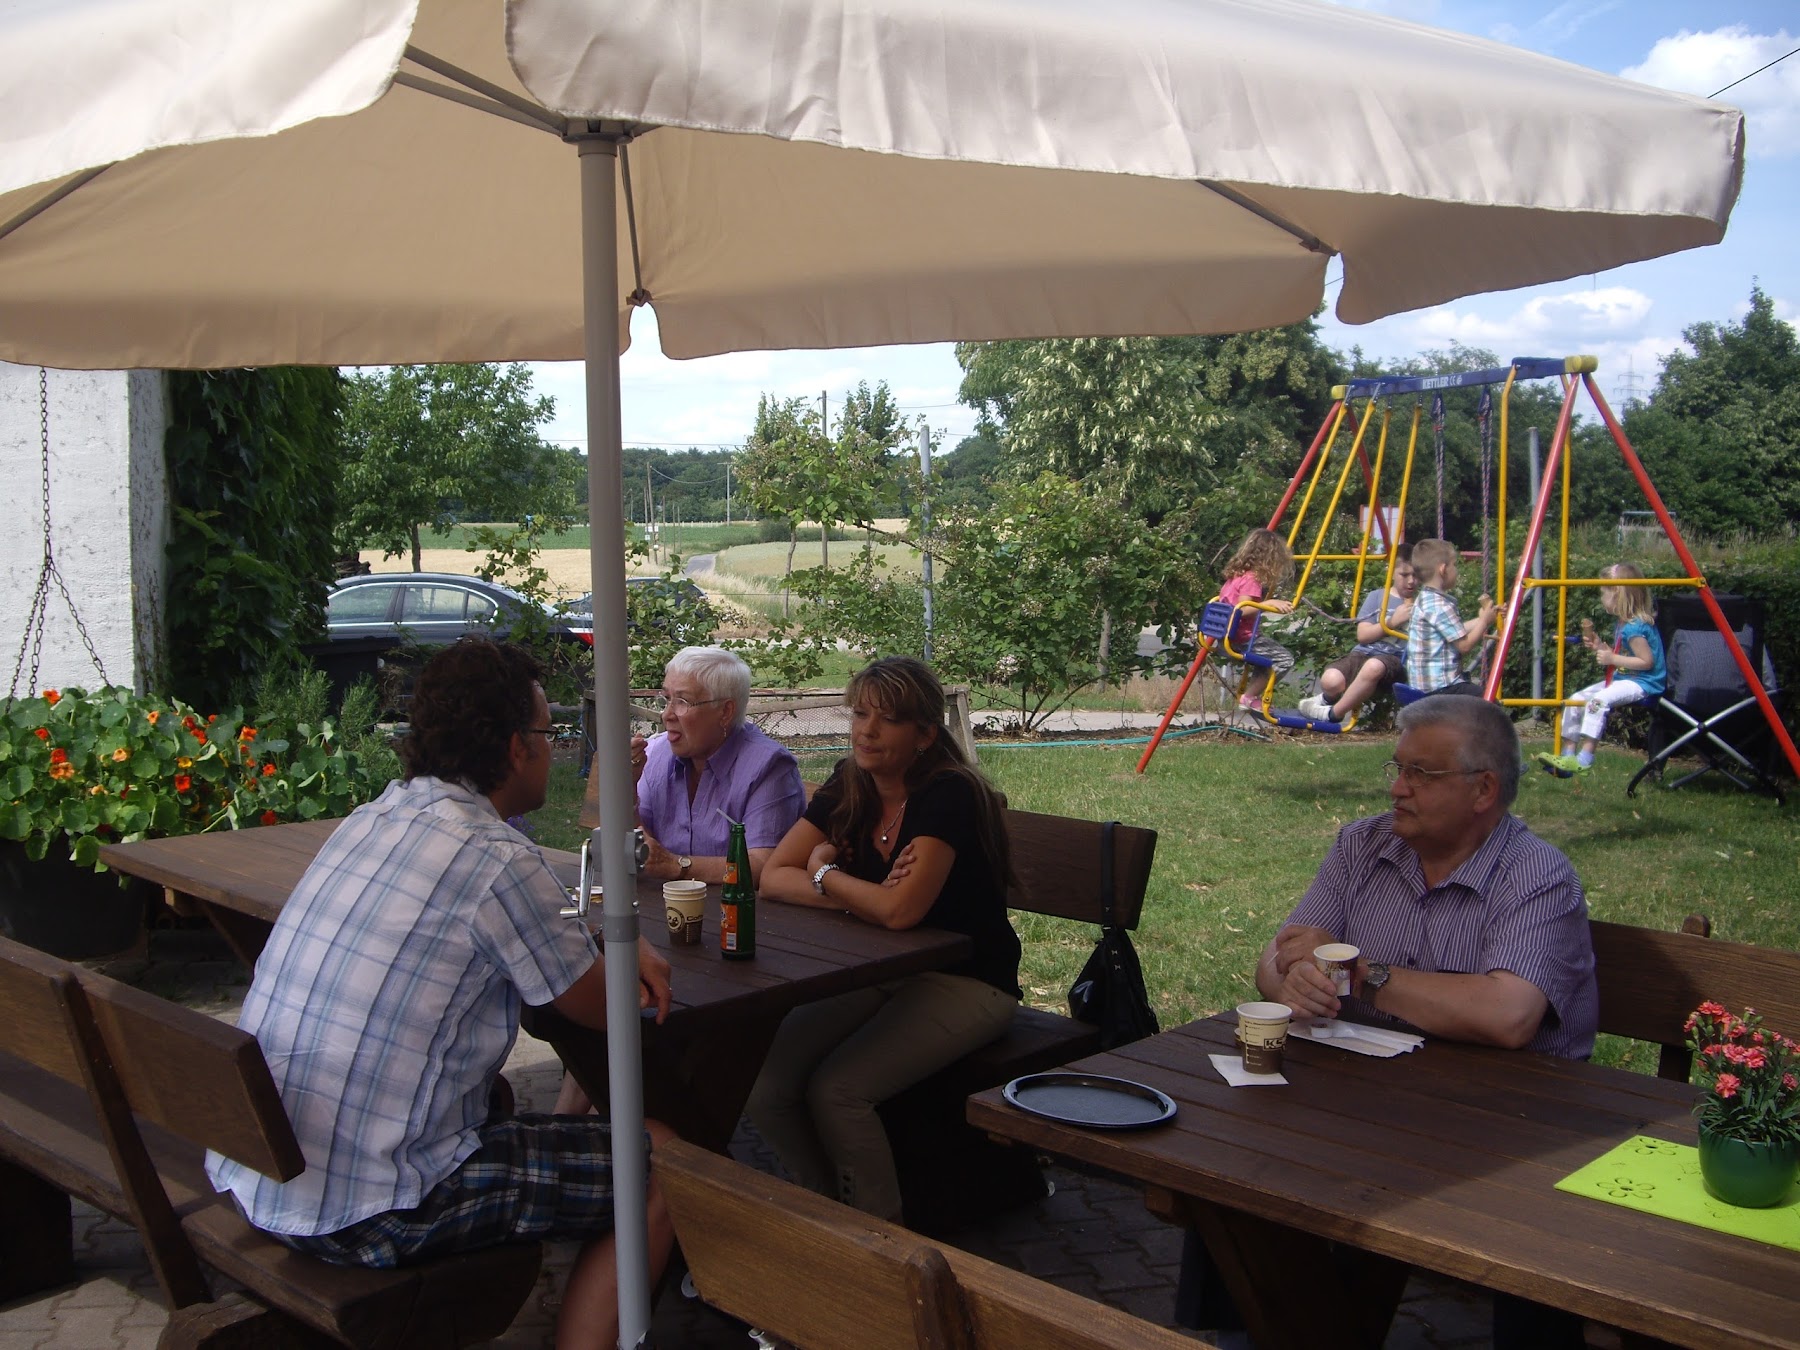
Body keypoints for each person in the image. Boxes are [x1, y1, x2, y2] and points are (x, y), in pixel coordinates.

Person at [205, 639, 676, 1349]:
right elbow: (608, 1008)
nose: (553, 750)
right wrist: (628, 943)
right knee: (663, 1162)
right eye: (548, 732)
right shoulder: (496, 857)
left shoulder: (375, 817)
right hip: (372, 1207)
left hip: (266, 1173)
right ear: (516, 747)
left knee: (501, 1107)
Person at [1181, 697, 1597, 1349]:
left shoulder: (1536, 876)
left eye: (1421, 774)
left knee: (1536, 1239)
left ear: (1483, 790)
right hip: (1371, 1099)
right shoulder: (1364, 844)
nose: (1398, 788)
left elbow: (1510, 1015)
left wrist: (1364, 974)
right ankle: (1247, 1329)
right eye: (1397, 768)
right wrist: (1294, 978)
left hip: (1506, 1126)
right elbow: (1279, 955)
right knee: (1238, 1155)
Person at [745, 656, 1020, 1221]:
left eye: (888, 719)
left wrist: (825, 873)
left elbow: (898, 912)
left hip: (968, 981)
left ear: (924, 734)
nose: (866, 731)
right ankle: (827, 1214)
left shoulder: (948, 793)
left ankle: (878, 1237)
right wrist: (858, 895)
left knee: (838, 1091)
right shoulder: (852, 781)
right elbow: (773, 878)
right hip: (882, 971)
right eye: (860, 714)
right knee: (765, 1084)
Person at [632, 645, 805, 885]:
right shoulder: (655, 754)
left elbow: (762, 865)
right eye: (667, 699)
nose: (667, 715)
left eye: (682, 701)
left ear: (725, 711)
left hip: (736, 907)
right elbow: (641, 845)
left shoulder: (769, 766)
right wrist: (627, 788)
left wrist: (676, 865)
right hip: (662, 903)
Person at [1536, 563, 1666, 780]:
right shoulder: (1623, 623)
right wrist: (1600, 647)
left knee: (1598, 701)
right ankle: (1568, 755)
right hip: (1625, 677)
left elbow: (1646, 662)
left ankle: (1585, 758)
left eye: (1603, 593)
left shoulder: (1635, 628)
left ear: (1618, 594)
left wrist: (1612, 658)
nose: (1601, 598)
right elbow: (1624, 655)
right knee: (1575, 700)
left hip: (1644, 682)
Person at [1297, 545, 1417, 725]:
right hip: (1364, 653)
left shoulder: (1422, 604)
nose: (1411, 581)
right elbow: (1363, 635)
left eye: (1416, 575)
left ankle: (1334, 714)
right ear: (1391, 571)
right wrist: (1391, 622)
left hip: (1394, 660)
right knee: (1331, 680)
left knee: (1373, 666)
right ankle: (1325, 700)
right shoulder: (1377, 597)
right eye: (1404, 575)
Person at [1404, 537, 1497, 697]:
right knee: (1489, 706)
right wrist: (1483, 621)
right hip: (1442, 687)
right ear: (1443, 569)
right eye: (1454, 565)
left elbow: (1454, 631)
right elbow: (1464, 646)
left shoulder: (1425, 599)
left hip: (1425, 686)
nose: (1457, 570)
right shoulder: (1440, 605)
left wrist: (1485, 618)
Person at [1217, 527, 1297, 710]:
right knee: (1285, 659)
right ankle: (1249, 696)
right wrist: (1269, 604)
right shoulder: (1252, 579)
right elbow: (1243, 608)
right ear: (1268, 559)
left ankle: (1250, 697)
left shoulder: (1236, 576)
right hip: (1243, 639)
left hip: (1226, 637)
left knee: (1266, 661)